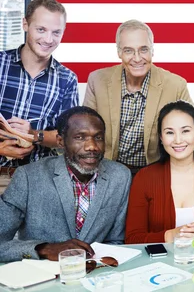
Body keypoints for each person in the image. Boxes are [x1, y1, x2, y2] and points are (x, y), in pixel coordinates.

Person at [0, 106, 131, 262]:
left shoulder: (120, 176)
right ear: (61, 141)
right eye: (80, 137)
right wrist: (44, 249)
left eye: (98, 137)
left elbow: (116, 242)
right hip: (41, 278)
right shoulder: (28, 177)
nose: (92, 146)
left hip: (96, 278)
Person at [83, 20, 193, 174]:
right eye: (128, 50)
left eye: (143, 50)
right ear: (119, 52)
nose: (137, 58)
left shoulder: (175, 86)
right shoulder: (97, 80)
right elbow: (86, 134)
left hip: (156, 172)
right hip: (108, 171)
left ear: (152, 51)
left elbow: (192, 135)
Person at [0, 0, 79, 195]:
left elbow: (67, 138)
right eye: (41, 29)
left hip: (40, 184)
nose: (48, 39)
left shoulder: (67, 79)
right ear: (25, 24)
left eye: (56, 32)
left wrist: (33, 134)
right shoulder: (1, 65)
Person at [125, 101, 194, 243]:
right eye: (169, 132)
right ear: (161, 137)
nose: (178, 140)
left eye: (185, 131)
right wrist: (172, 235)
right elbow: (132, 239)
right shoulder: (144, 178)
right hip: (157, 264)